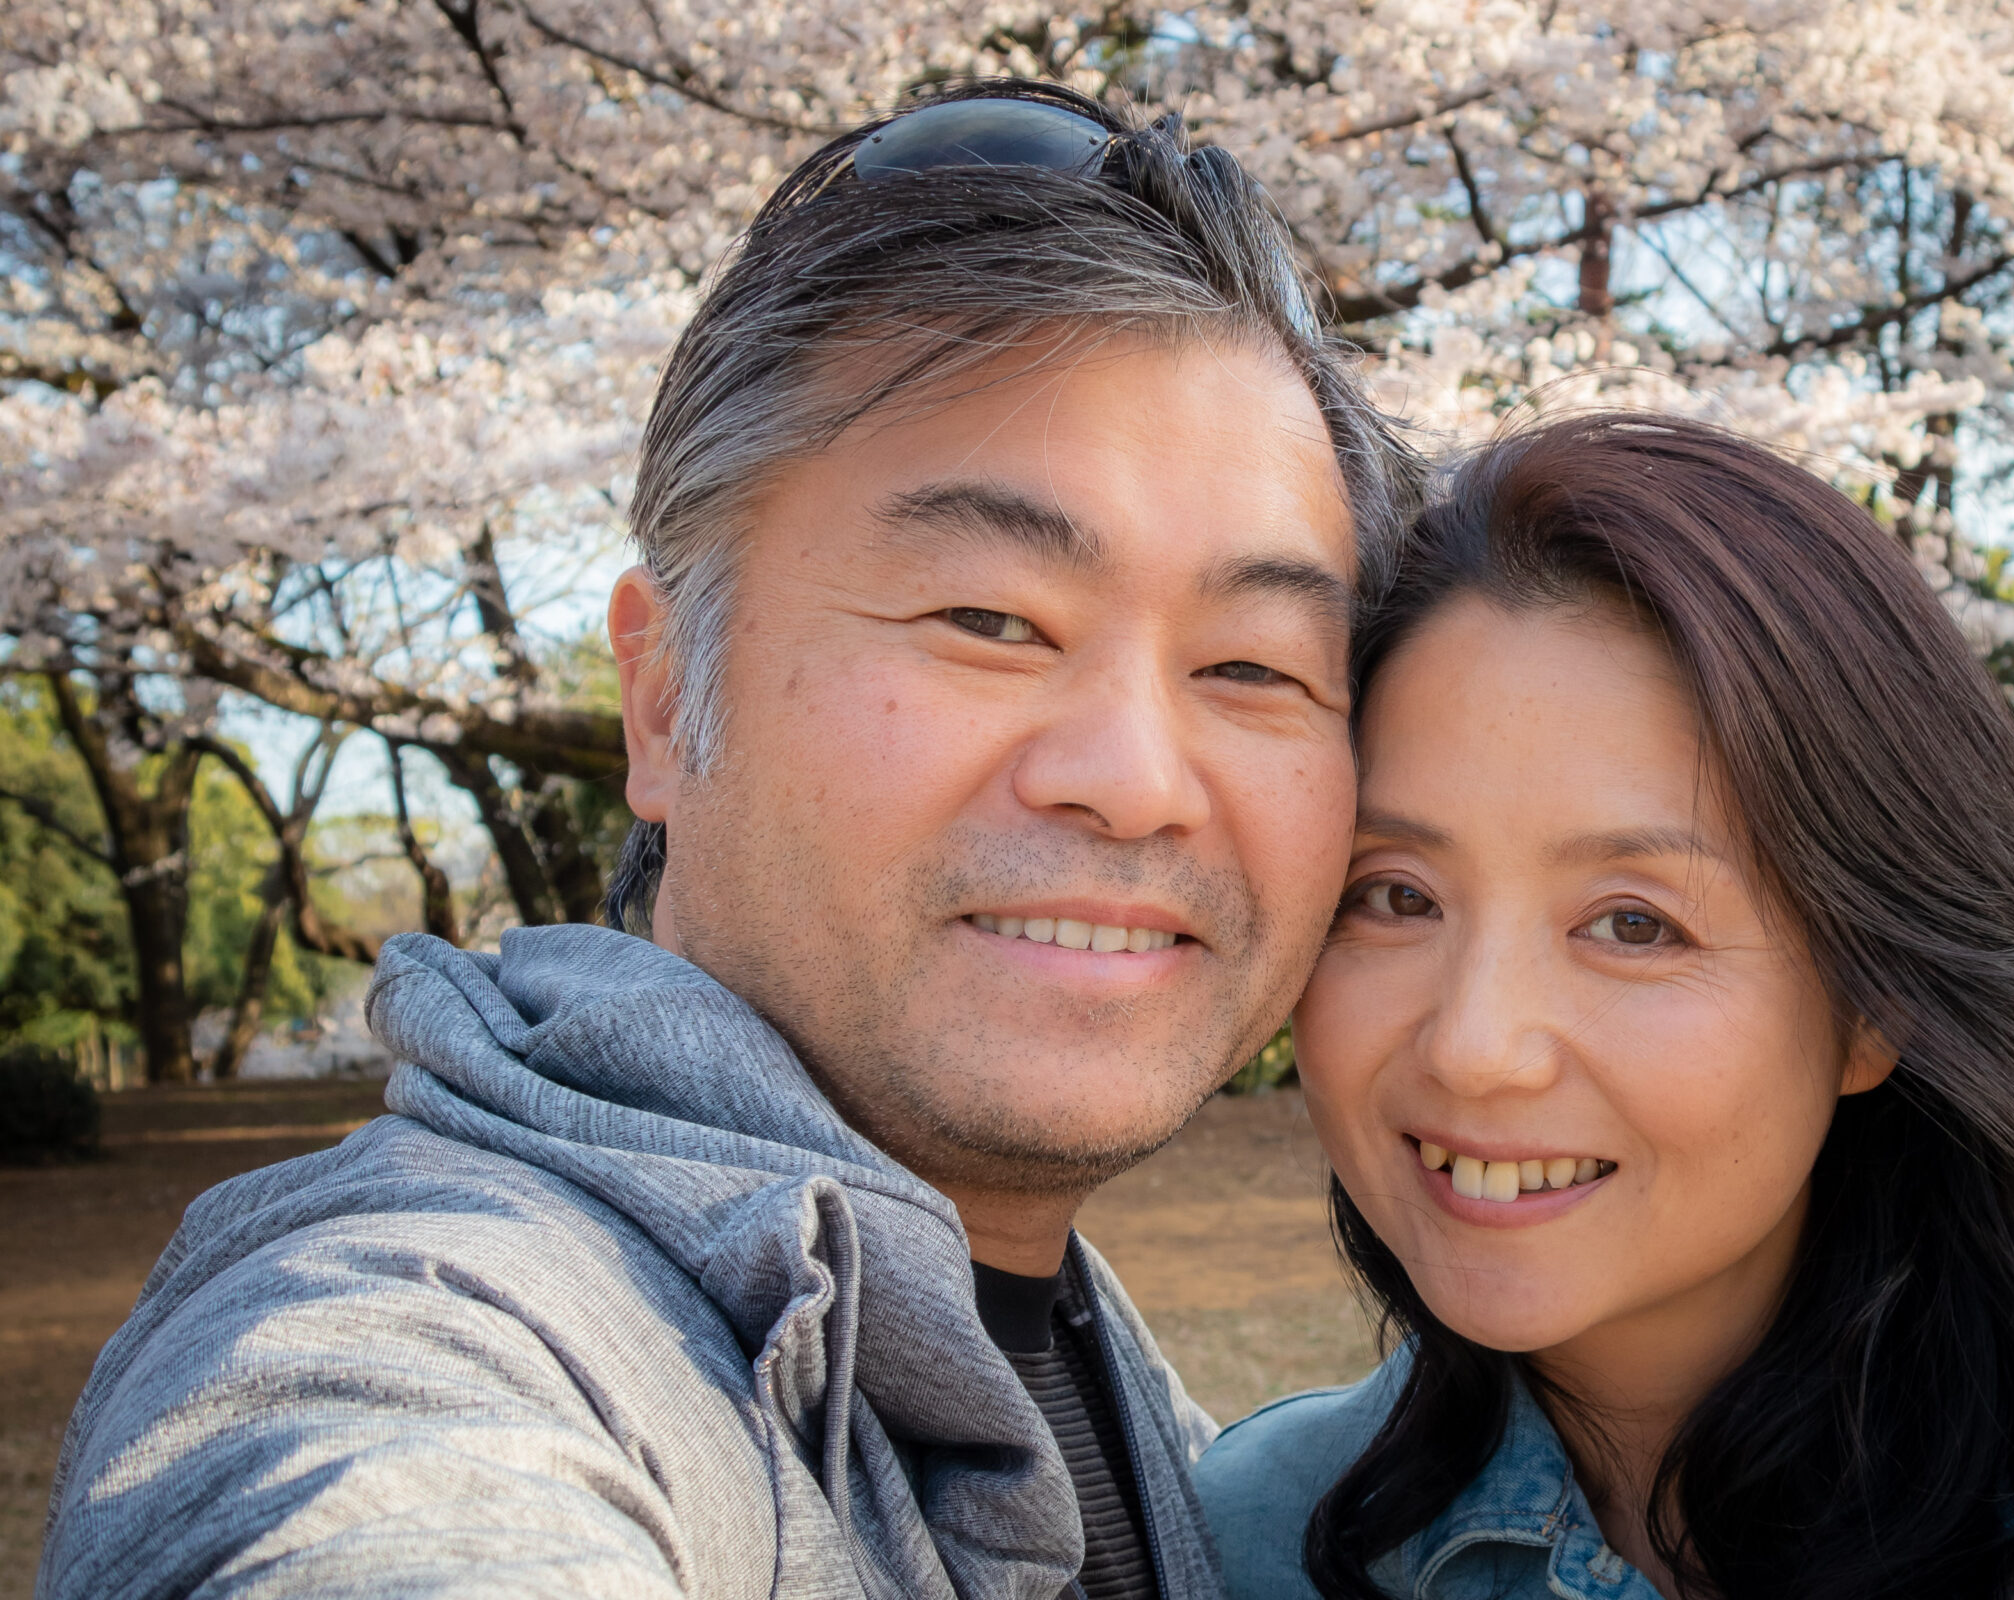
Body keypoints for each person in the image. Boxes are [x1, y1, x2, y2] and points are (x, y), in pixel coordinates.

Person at [40, 80, 1420, 1599]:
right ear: (659, 699)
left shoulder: (1126, 1393)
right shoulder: (433, 1321)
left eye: (1251, 667)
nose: (1136, 780)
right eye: (986, 620)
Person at [1194, 413, 2014, 1600]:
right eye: (1395, 895)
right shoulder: (1244, 1545)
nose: (1475, 1047)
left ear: (1876, 998)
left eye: (1634, 923)